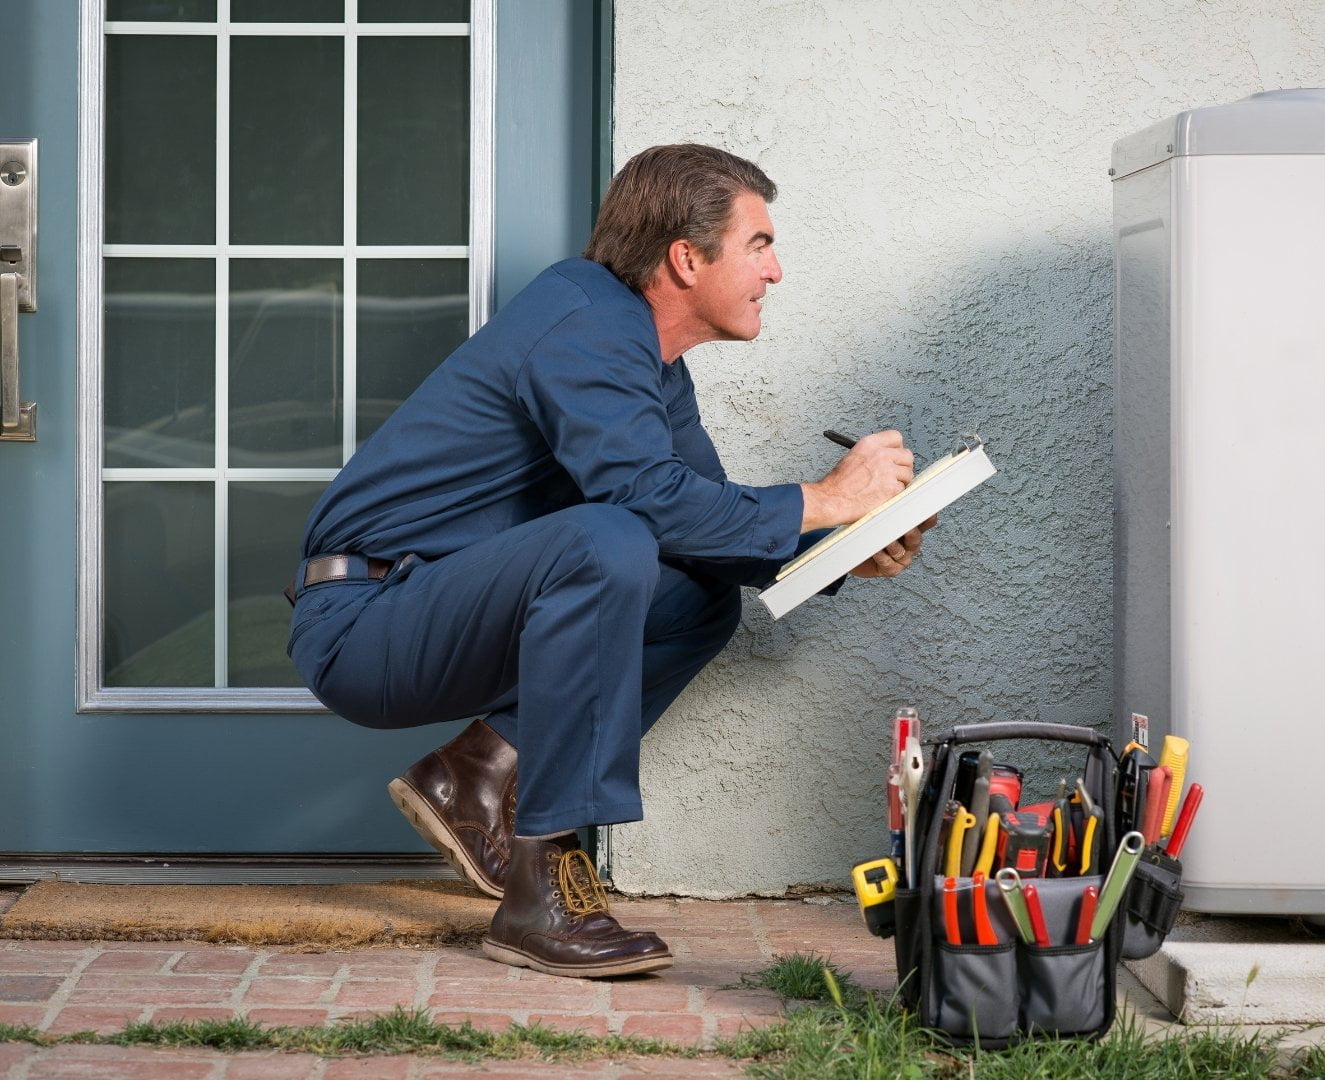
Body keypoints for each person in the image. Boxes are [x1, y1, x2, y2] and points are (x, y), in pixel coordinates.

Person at [286, 144, 933, 979]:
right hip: (365, 622)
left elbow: (706, 525)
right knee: (613, 536)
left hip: (430, 604)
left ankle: (474, 778)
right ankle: (538, 895)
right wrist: (830, 495)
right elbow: (647, 500)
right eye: (759, 245)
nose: (776, 272)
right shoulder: (585, 319)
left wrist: (847, 549)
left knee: (699, 596)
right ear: (686, 258)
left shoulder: (651, 363)